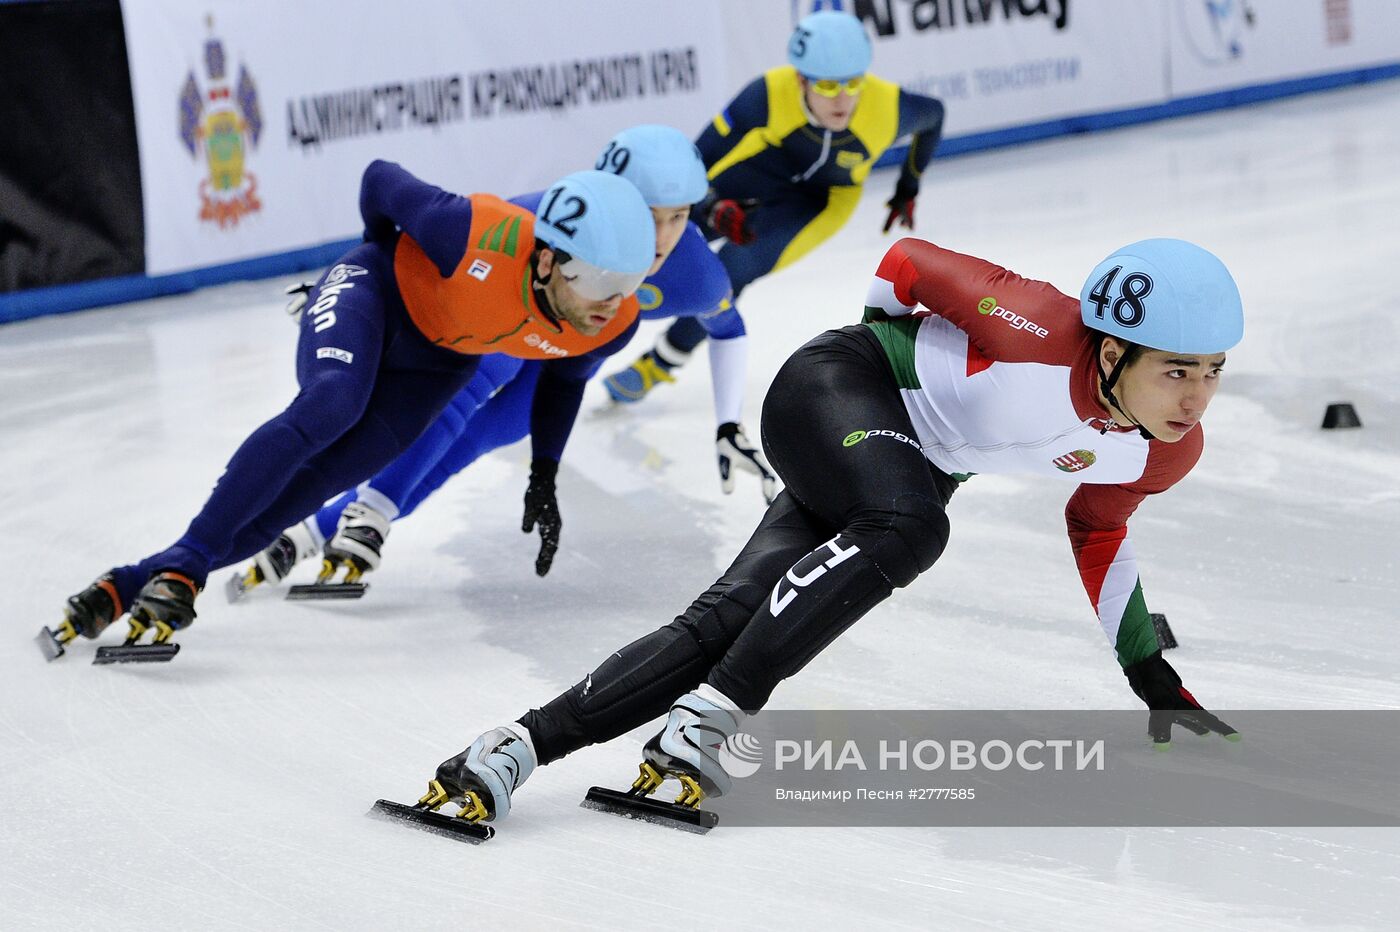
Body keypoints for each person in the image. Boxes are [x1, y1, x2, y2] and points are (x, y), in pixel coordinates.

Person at [411, 236, 1246, 824]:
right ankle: (712, 717)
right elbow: (908, 262)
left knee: (732, 616)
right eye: (1175, 373)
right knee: (912, 525)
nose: (1195, 398)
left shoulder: (1164, 453)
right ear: (1108, 355)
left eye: (1211, 374)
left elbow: (1099, 534)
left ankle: (510, 749)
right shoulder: (1032, 321)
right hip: (837, 387)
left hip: (890, 470)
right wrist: (879, 350)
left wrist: (1147, 670)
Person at [44, 163, 656, 656]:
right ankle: (184, 563)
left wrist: (543, 471)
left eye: (626, 284)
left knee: (309, 491)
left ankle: (134, 582)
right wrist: (369, 260)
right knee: (334, 406)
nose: (612, 302)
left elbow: (561, 386)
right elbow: (378, 179)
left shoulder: (614, 321)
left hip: (438, 364)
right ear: (547, 260)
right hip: (374, 294)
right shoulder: (469, 231)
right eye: (600, 283)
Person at [236, 125, 772, 595]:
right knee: (469, 381)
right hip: (515, 318)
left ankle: (323, 527)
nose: (659, 238)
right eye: (646, 215)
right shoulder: (549, 214)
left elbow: (729, 328)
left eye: (677, 217)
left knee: (497, 428)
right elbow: (444, 240)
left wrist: (729, 424)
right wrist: (355, 284)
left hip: (568, 350)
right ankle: (368, 513)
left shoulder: (697, 275)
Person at [602, 9, 945, 412]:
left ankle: (658, 364)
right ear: (801, 79)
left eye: (854, 83)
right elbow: (694, 158)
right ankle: (596, 305)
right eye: (829, 85)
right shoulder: (765, 95)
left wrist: (909, 185)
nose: (843, 99)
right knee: (670, 227)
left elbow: (934, 115)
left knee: (735, 269)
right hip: (759, 174)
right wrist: (711, 205)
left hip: (821, 202)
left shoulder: (888, 107)